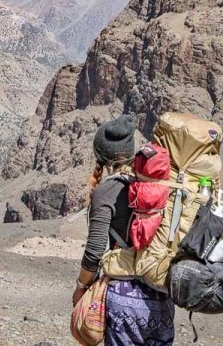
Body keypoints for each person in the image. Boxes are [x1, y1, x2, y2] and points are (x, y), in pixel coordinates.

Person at [72, 114, 175, 346]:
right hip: (161, 298)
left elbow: (95, 249)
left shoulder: (107, 190)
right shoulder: (159, 188)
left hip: (124, 296)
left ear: (101, 154)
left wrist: (80, 287)